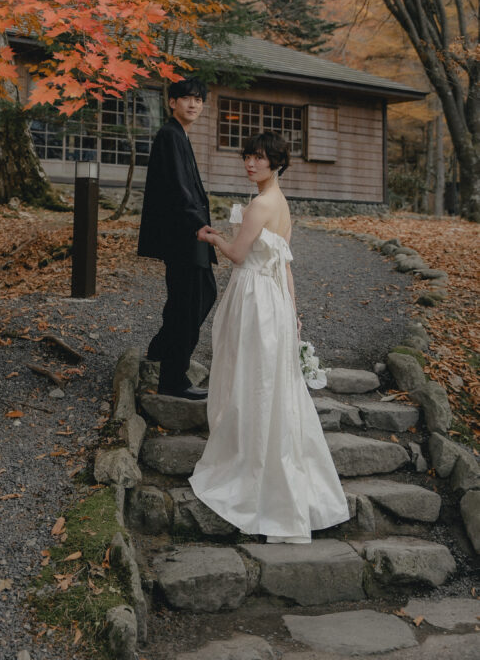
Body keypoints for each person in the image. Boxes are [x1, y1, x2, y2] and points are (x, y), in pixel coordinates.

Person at [189, 131, 349, 542]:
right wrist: (293, 313)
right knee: (268, 380)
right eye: (247, 157)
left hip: (255, 297)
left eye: (259, 158)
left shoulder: (260, 204)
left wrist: (212, 237)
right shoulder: (282, 204)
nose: (250, 164)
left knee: (250, 375)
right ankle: (263, 451)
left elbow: (239, 256)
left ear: (276, 163)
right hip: (274, 299)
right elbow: (286, 265)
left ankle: (248, 457)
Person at [138, 78, 217, 400]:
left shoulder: (179, 135)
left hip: (186, 233)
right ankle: (173, 377)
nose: (193, 104)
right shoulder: (170, 135)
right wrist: (198, 224)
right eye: (187, 98)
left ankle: (160, 349)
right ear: (172, 102)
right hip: (184, 233)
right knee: (190, 302)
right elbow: (177, 188)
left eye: (199, 100)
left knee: (196, 296)